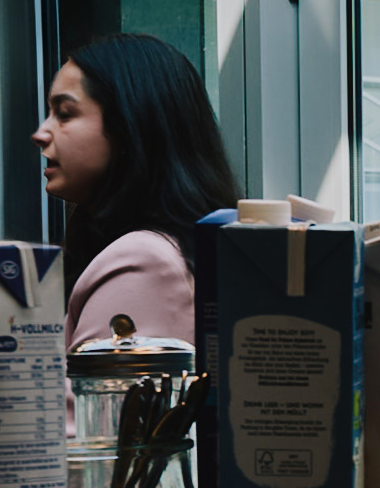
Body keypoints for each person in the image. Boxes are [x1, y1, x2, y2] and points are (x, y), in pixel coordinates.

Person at [36, 33, 236, 354]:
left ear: (129, 124)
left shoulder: (145, 262)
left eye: (65, 113)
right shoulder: (160, 250)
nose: (40, 134)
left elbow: (88, 404)